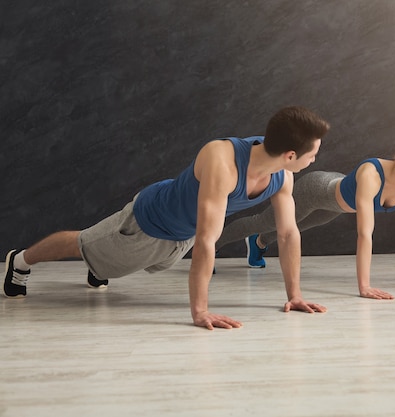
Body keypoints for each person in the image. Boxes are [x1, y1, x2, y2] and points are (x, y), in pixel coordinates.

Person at [3, 106, 331, 330]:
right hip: (150, 222)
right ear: (290, 155)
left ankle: (100, 266)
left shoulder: (282, 177)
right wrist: (199, 312)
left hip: (182, 233)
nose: (314, 159)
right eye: (313, 154)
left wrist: (295, 295)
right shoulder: (223, 162)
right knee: (83, 244)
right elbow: (207, 239)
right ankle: (20, 261)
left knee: (110, 261)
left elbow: (288, 234)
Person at [216, 128, 395, 299]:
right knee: (265, 222)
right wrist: (364, 287)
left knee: (298, 227)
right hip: (317, 191)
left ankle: (258, 243)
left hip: (337, 206)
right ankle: (212, 245)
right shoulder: (371, 175)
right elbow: (365, 234)